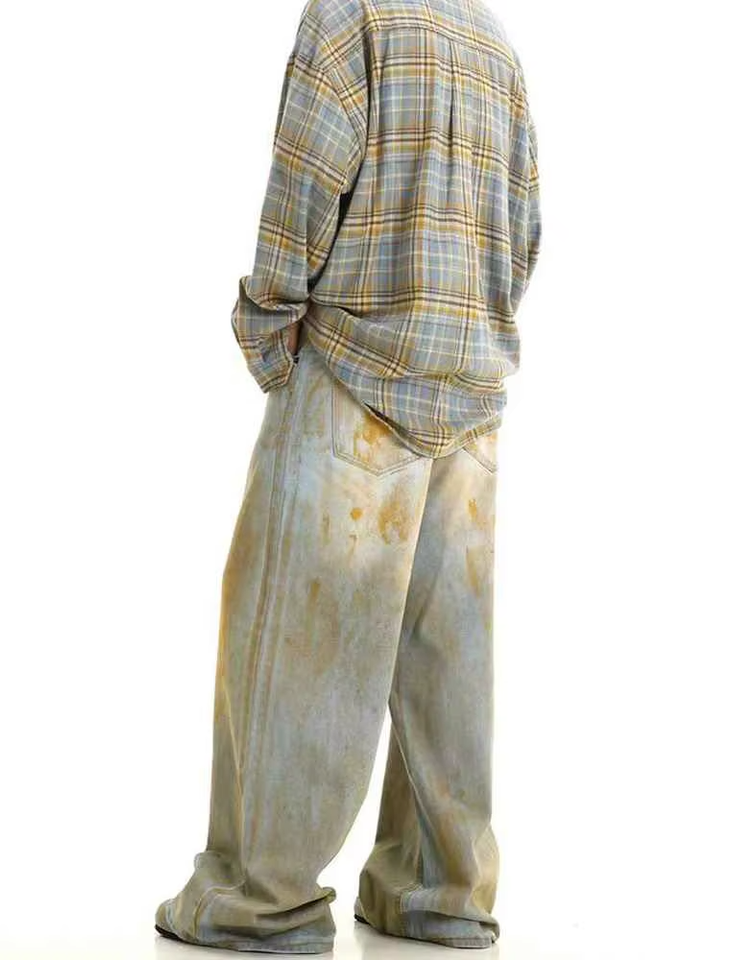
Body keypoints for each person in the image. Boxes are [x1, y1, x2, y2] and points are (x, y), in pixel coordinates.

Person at [155, 0, 541, 951]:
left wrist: (267, 319)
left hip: (352, 374)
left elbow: (303, 186)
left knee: (295, 645)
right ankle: (438, 893)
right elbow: (526, 226)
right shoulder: (493, 41)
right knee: (445, 660)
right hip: (469, 391)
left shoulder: (350, 16)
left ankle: (261, 901)